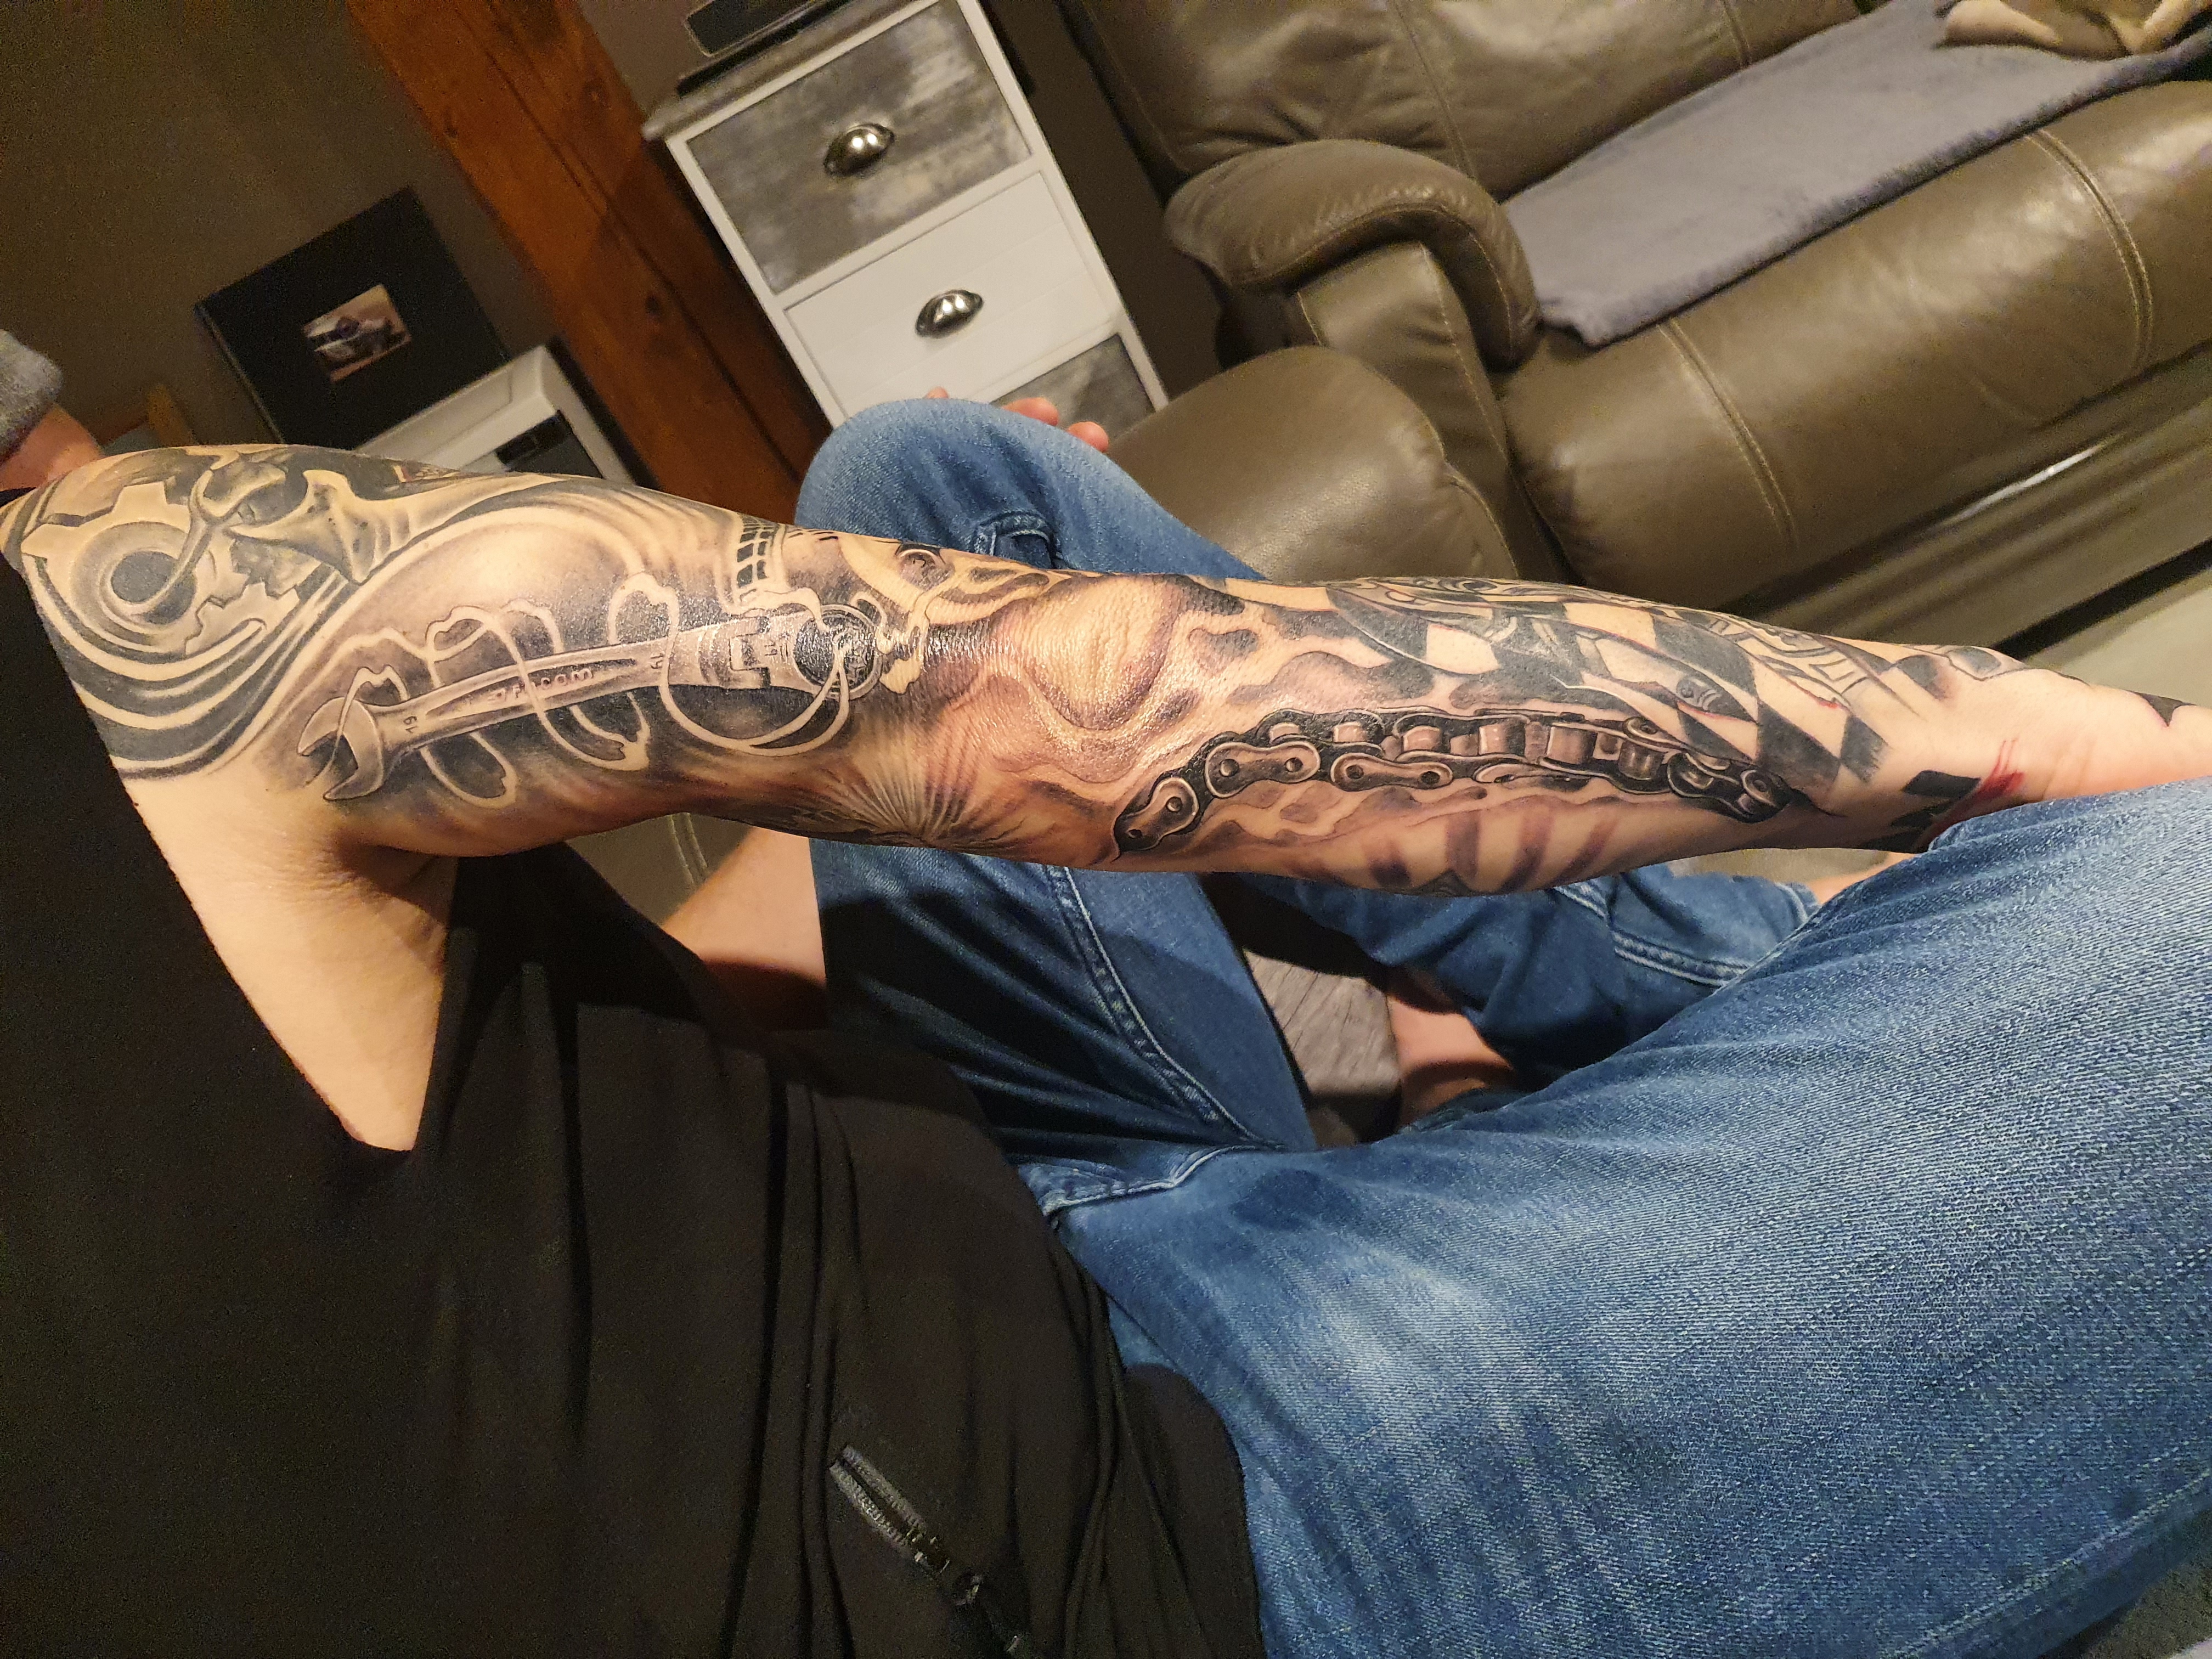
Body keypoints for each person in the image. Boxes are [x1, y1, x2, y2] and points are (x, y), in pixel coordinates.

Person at [1, 325, 2205, 1658]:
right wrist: (2056, 736)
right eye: (41, 455)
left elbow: (513, 1168)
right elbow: (1069, 714)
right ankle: (1773, 1000)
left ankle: (1687, 997)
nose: (113, 477)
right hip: (1160, 1557)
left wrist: (871, 685)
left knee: (928, 483)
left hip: (987, 1281)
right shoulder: (109, 610)